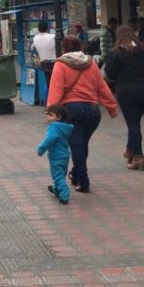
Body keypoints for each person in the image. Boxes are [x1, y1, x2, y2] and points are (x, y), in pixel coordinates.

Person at [45, 35, 118, 193]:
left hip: (72, 111)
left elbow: (56, 89)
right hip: (93, 112)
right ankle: (77, 174)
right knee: (82, 144)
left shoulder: (61, 65)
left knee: (77, 145)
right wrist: (111, 107)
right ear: (80, 47)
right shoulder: (90, 64)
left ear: (63, 48)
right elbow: (102, 86)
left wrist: (51, 111)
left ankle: (83, 181)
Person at [103, 25, 144, 171]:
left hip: (125, 90)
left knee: (133, 124)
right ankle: (129, 149)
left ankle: (138, 156)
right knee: (135, 121)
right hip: (143, 89)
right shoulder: (143, 50)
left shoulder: (117, 52)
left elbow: (110, 73)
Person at [36, 104, 73, 204]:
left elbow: (49, 139)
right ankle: (56, 189)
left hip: (56, 156)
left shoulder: (54, 128)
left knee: (57, 176)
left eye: (51, 115)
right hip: (64, 155)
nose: (48, 117)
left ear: (59, 117)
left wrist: (41, 149)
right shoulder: (65, 127)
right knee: (61, 174)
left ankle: (64, 195)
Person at [31, 21, 57, 105]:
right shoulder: (53, 37)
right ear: (47, 28)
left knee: (49, 84)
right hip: (55, 63)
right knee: (57, 84)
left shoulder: (35, 38)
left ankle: (49, 103)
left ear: (38, 29)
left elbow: (32, 48)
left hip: (44, 64)